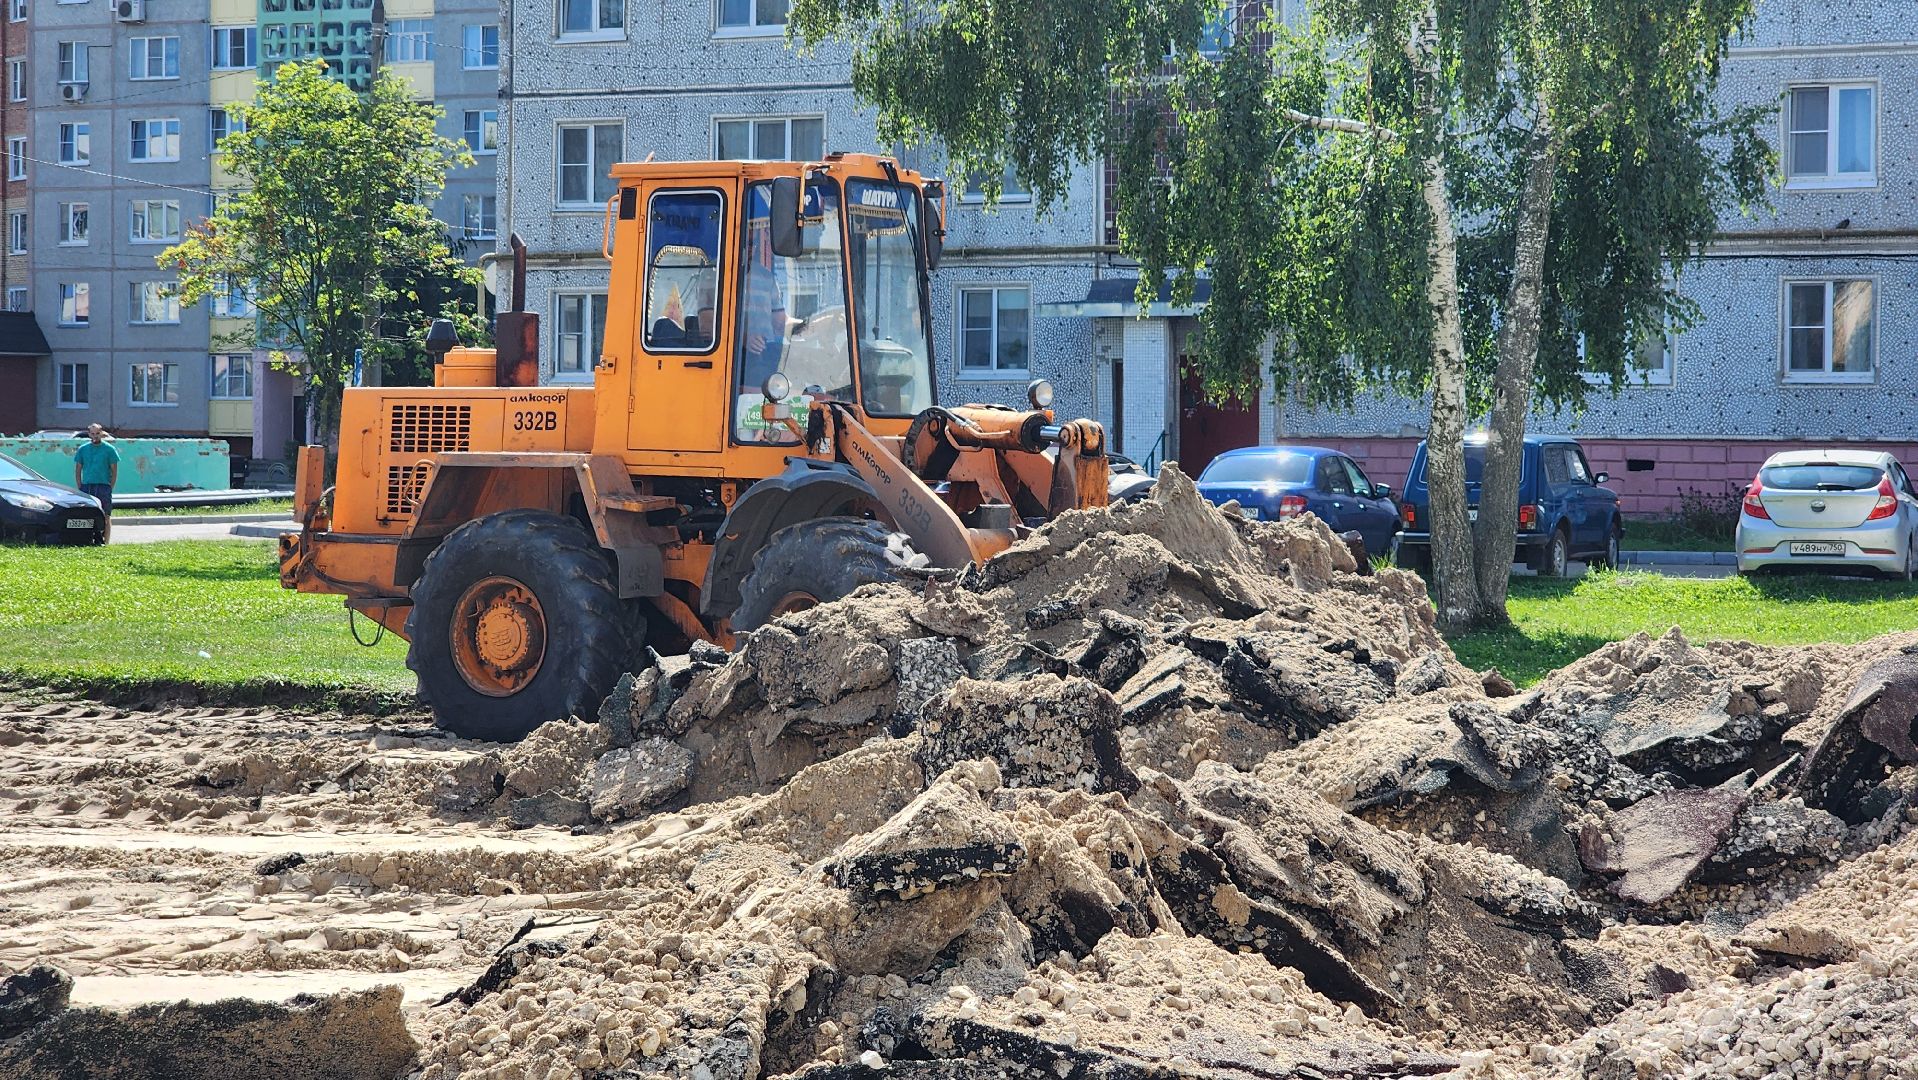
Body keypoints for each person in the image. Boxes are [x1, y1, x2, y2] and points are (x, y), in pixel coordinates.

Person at [73, 423, 119, 542]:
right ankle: (88, 540)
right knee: (87, 515)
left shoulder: (109, 449)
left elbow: (114, 471)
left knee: (106, 515)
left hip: (103, 486)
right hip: (87, 486)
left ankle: (106, 542)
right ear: (89, 434)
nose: (95, 436)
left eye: (97, 433)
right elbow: (78, 469)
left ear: (101, 433)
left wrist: (110, 486)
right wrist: (80, 485)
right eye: (92, 434)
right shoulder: (83, 449)